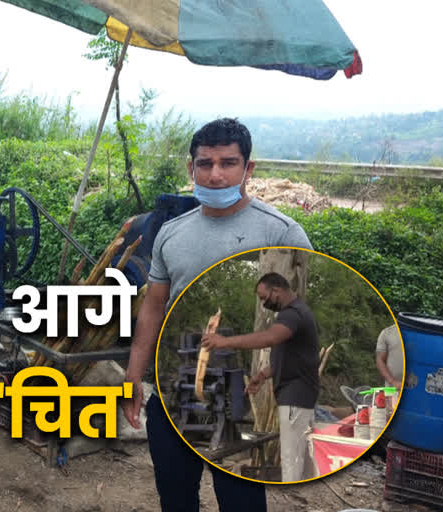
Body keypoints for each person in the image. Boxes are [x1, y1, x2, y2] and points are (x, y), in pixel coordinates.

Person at [121, 118, 312, 511]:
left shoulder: (282, 233)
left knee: (241, 500)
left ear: (248, 169)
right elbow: (154, 309)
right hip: (176, 385)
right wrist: (133, 377)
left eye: (228, 163)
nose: (215, 175)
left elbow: (299, 325)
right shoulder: (172, 234)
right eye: (205, 164)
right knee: (175, 495)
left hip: (241, 393)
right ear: (191, 169)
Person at [202, 272, 320, 482]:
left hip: (296, 398)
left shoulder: (292, 314)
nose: (264, 303)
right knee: (302, 456)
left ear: (277, 289)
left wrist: (223, 341)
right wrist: (263, 375)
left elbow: (269, 338)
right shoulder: (296, 312)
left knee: (291, 458)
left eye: (264, 297)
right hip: (299, 395)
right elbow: (293, 355)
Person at [376, 324, 403, 389]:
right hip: (392, 388)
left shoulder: (421, 333)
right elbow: (380, 360)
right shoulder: (387, 332)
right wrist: (393, 382)